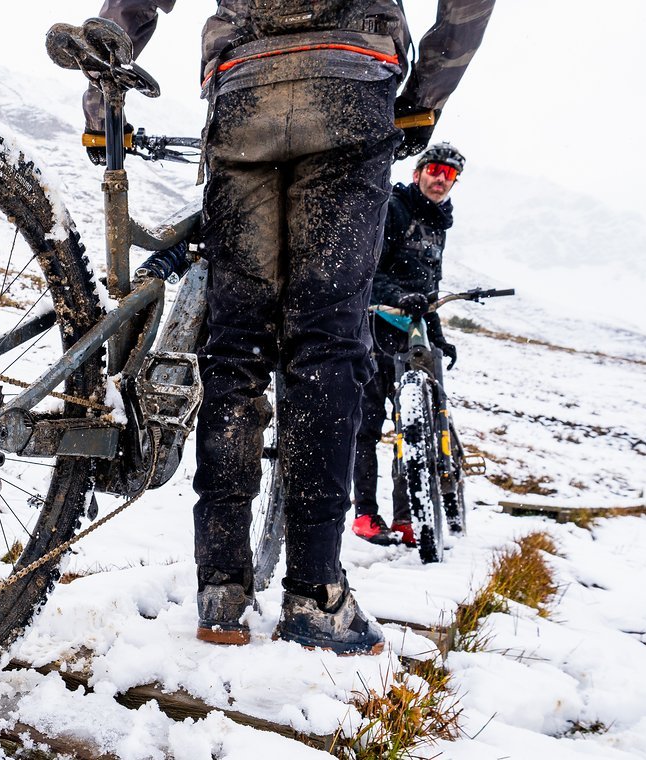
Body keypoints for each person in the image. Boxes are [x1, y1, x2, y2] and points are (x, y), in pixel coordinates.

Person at [81, 1, 494, 653]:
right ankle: (314, 594)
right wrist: (424, 95)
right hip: (353, 78)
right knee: (325, 344)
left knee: (234, 349)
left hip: (245, 81)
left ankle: (220, 590)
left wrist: (104, 82)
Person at [351, 142, 465, 547]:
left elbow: (427, 292)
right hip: (376, 331)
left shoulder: (438, 226)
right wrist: (398, 297)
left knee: (412, 430)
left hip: (414, 339)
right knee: (367, 427)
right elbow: (370, 268)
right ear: (418, 173)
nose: (440, 178)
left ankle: (406, 519)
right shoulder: (395, 209)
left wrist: (439, 337)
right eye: (434, 169)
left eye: (449, 175)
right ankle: (365, 514)